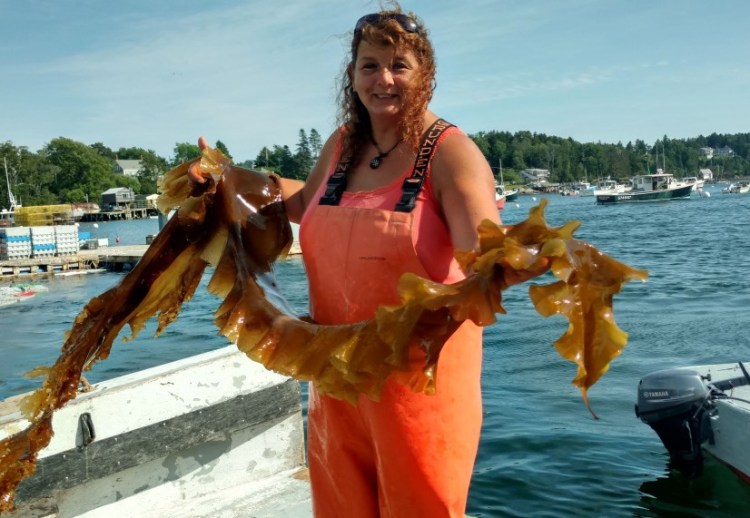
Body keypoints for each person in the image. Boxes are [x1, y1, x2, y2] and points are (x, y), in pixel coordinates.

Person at [191, 7, 503, 517]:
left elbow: (480, 254)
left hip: (417, 387)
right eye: (369, 65)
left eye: (399, 65)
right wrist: (229, 178)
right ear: (352, 74)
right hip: (335, 379)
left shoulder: (451, 153)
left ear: (425, 73)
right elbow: (300, 203)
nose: (383, 79)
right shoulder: (342, 145)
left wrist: (506, 260)